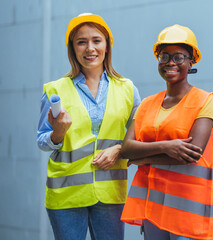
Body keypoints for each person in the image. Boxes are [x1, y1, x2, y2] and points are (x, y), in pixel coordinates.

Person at [37, 13, 141, 240]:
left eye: (96, 40)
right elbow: (42, 140)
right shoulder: (55, 90)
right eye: (81, 42)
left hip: (110, 193)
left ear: (107, 45)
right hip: (66, 195)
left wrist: (118, 149)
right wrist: (57, 134)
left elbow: (140, 137)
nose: (90, 48)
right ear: (72, 48)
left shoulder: (127, 89)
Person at [120, 24, 213, 240]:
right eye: (164, 56)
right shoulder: (147, 104)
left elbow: (191, 154)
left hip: (186, 212)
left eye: (179, 57)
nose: (171, 63)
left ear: (191, 61)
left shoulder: (205, 102)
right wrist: (168, 146)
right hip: (153, 211)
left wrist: (145, 157)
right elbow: (127, 149)